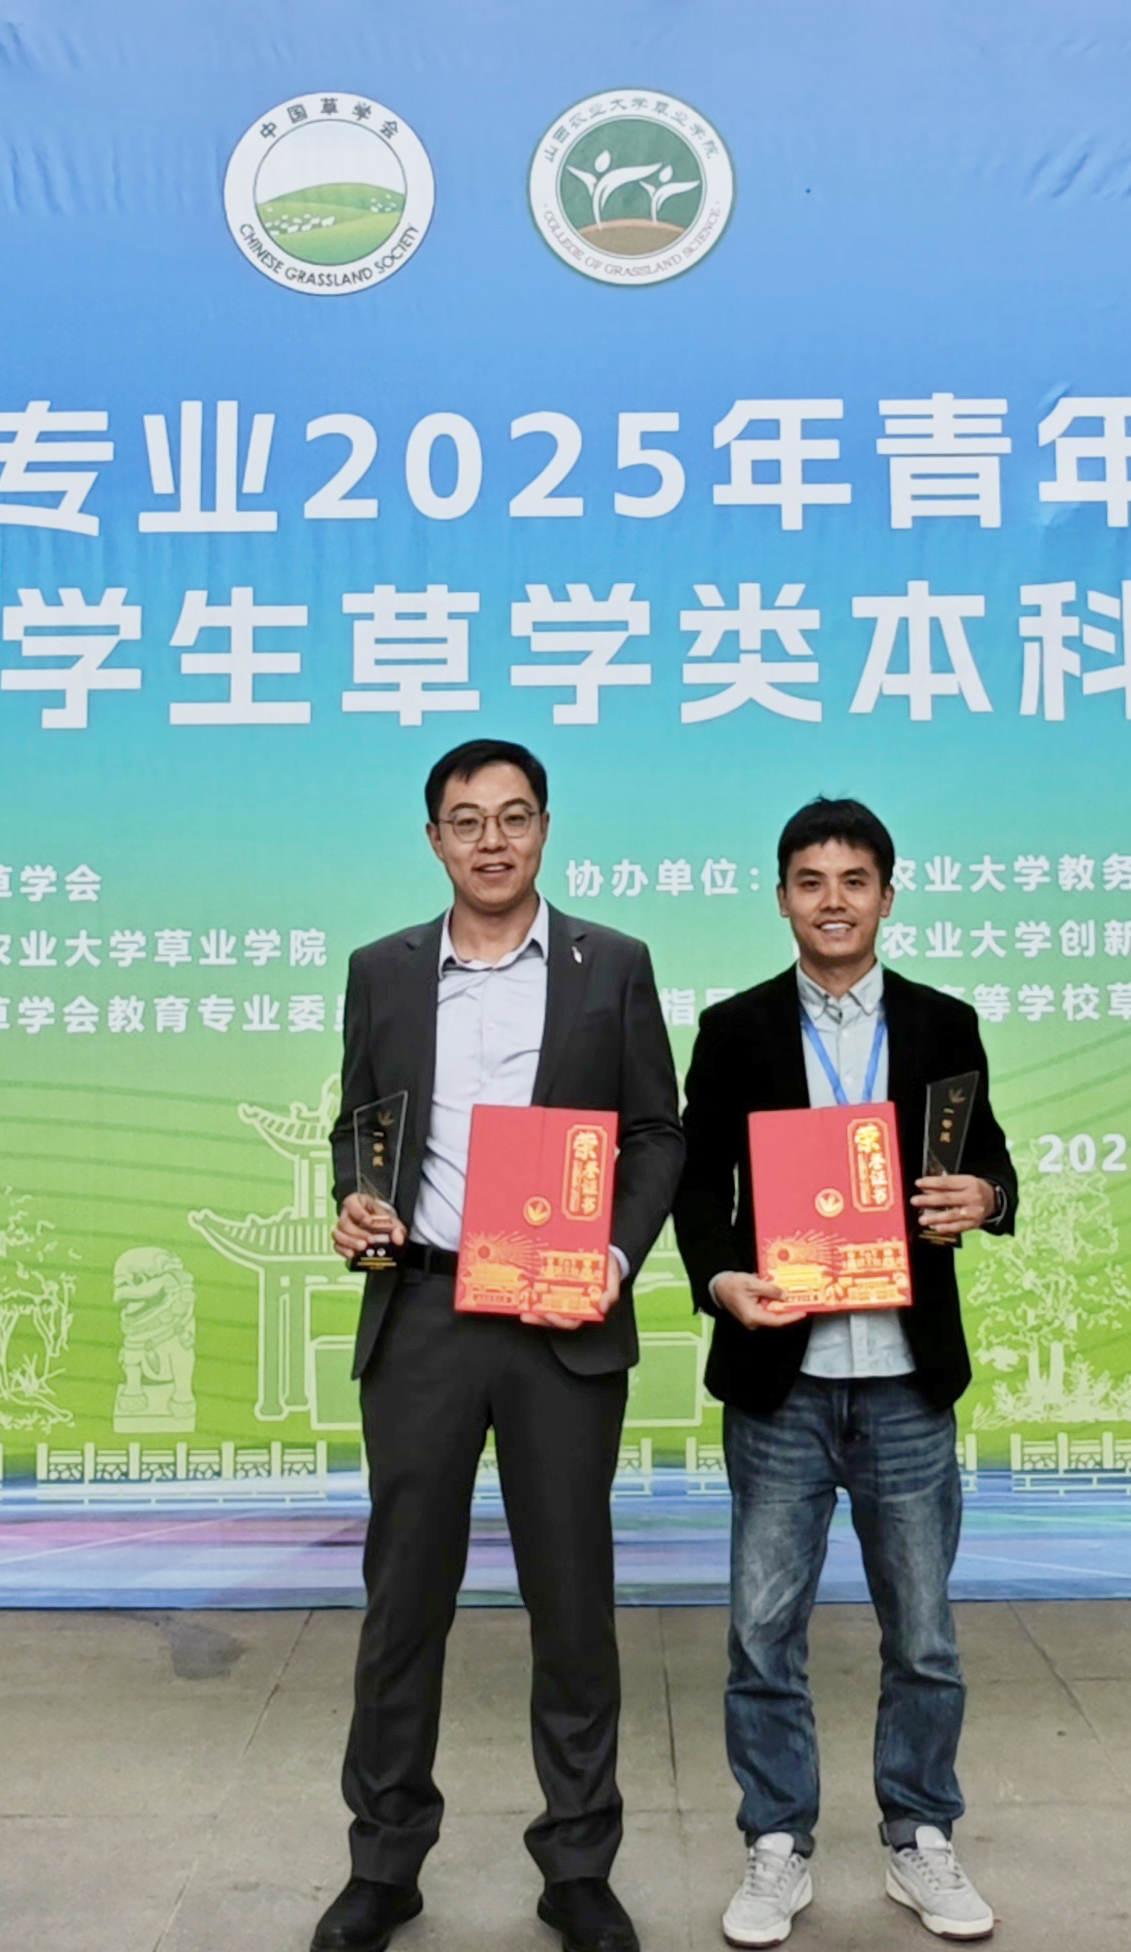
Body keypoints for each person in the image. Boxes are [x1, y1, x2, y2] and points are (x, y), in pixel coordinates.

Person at [316, 738, 684, 1952]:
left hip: (560, 1318)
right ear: (434, 838)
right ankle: (383, 1862)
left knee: (571, 1602)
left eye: (514, 815)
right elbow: (358, 1124)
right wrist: (356, 1198)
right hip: (423, 1311)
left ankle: (578, 1864)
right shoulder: (381, 969)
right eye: (466, 819)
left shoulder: (610, 963)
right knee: (402, 1602)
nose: (491, 839)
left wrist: (612, 1257)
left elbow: (656, 1133)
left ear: (545, 829)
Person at [672, 797, 1016, 1946]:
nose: (833, 900)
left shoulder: (941, 1023)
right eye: (811, 880)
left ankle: (919, 1834)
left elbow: (987, 1162)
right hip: (783, 1373)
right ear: (781, 897)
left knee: (922, 1634)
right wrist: (720, 1279)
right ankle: (777, 1842)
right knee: (762, 1632)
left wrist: (987, 1196)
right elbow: (696, 1185)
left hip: (906, 1374)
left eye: (854, 879)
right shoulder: (734, 1028)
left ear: (886, 894)